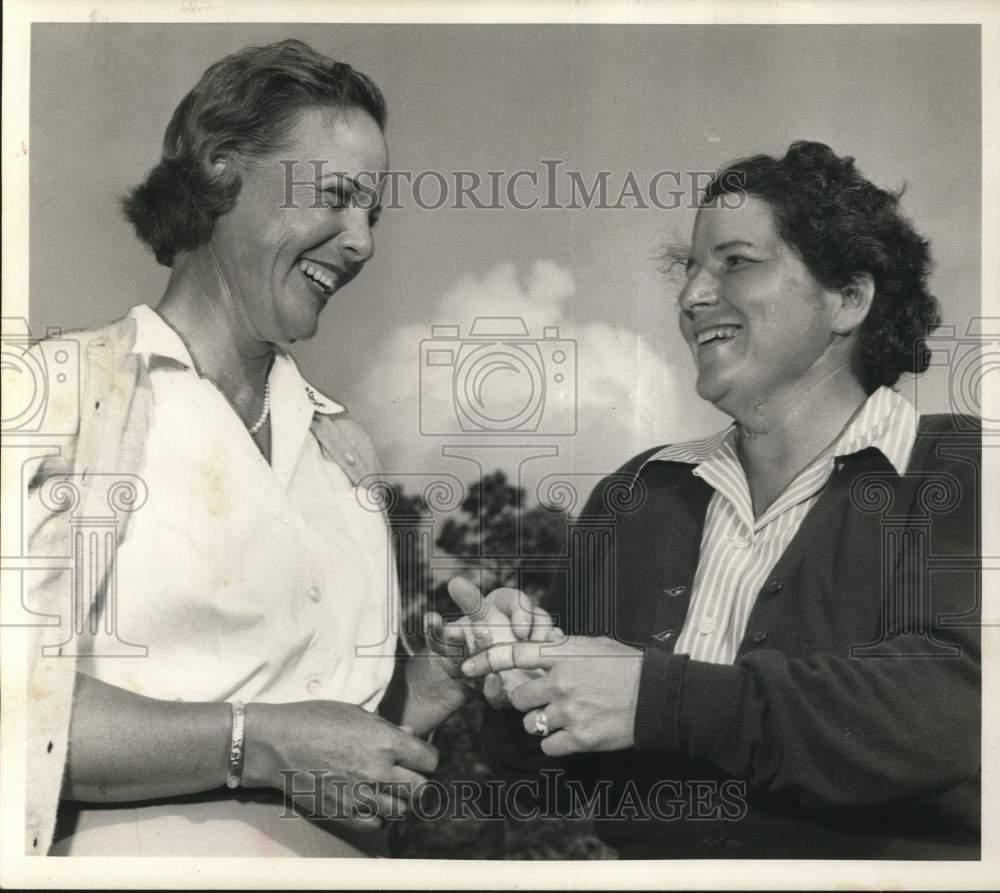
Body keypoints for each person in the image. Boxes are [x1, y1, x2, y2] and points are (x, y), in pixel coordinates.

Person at [19, 38, 532, 859]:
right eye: (334, 195)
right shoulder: (57, 394)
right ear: (221, 170)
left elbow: (321, 733)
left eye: (373, 212)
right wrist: (253, 741)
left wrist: (432, 681)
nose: (360, 240)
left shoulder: (339, 444)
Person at [459, 141, 981, 859]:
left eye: (735, 260)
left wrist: (655, 697)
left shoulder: (962, 467)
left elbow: (957, 709)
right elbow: (552, 774)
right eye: (690, 267)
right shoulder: (637, 496)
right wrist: (521, 682)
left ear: (849, 298)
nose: (692, 295)